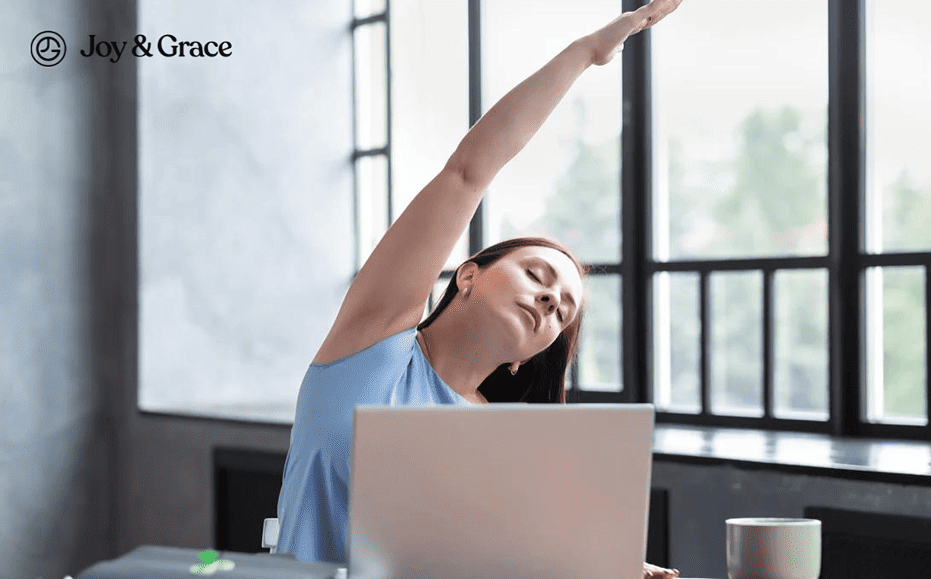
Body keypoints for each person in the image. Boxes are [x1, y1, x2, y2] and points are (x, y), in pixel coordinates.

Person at [276, 1, 684, 577]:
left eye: (562, 311)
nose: (549, 301)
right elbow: (468, 172)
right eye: (537, 277)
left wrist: (609, 566)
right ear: (467, 276)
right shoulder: (373, 347)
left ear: (532, 357)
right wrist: (586, 53)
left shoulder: (503, 440)